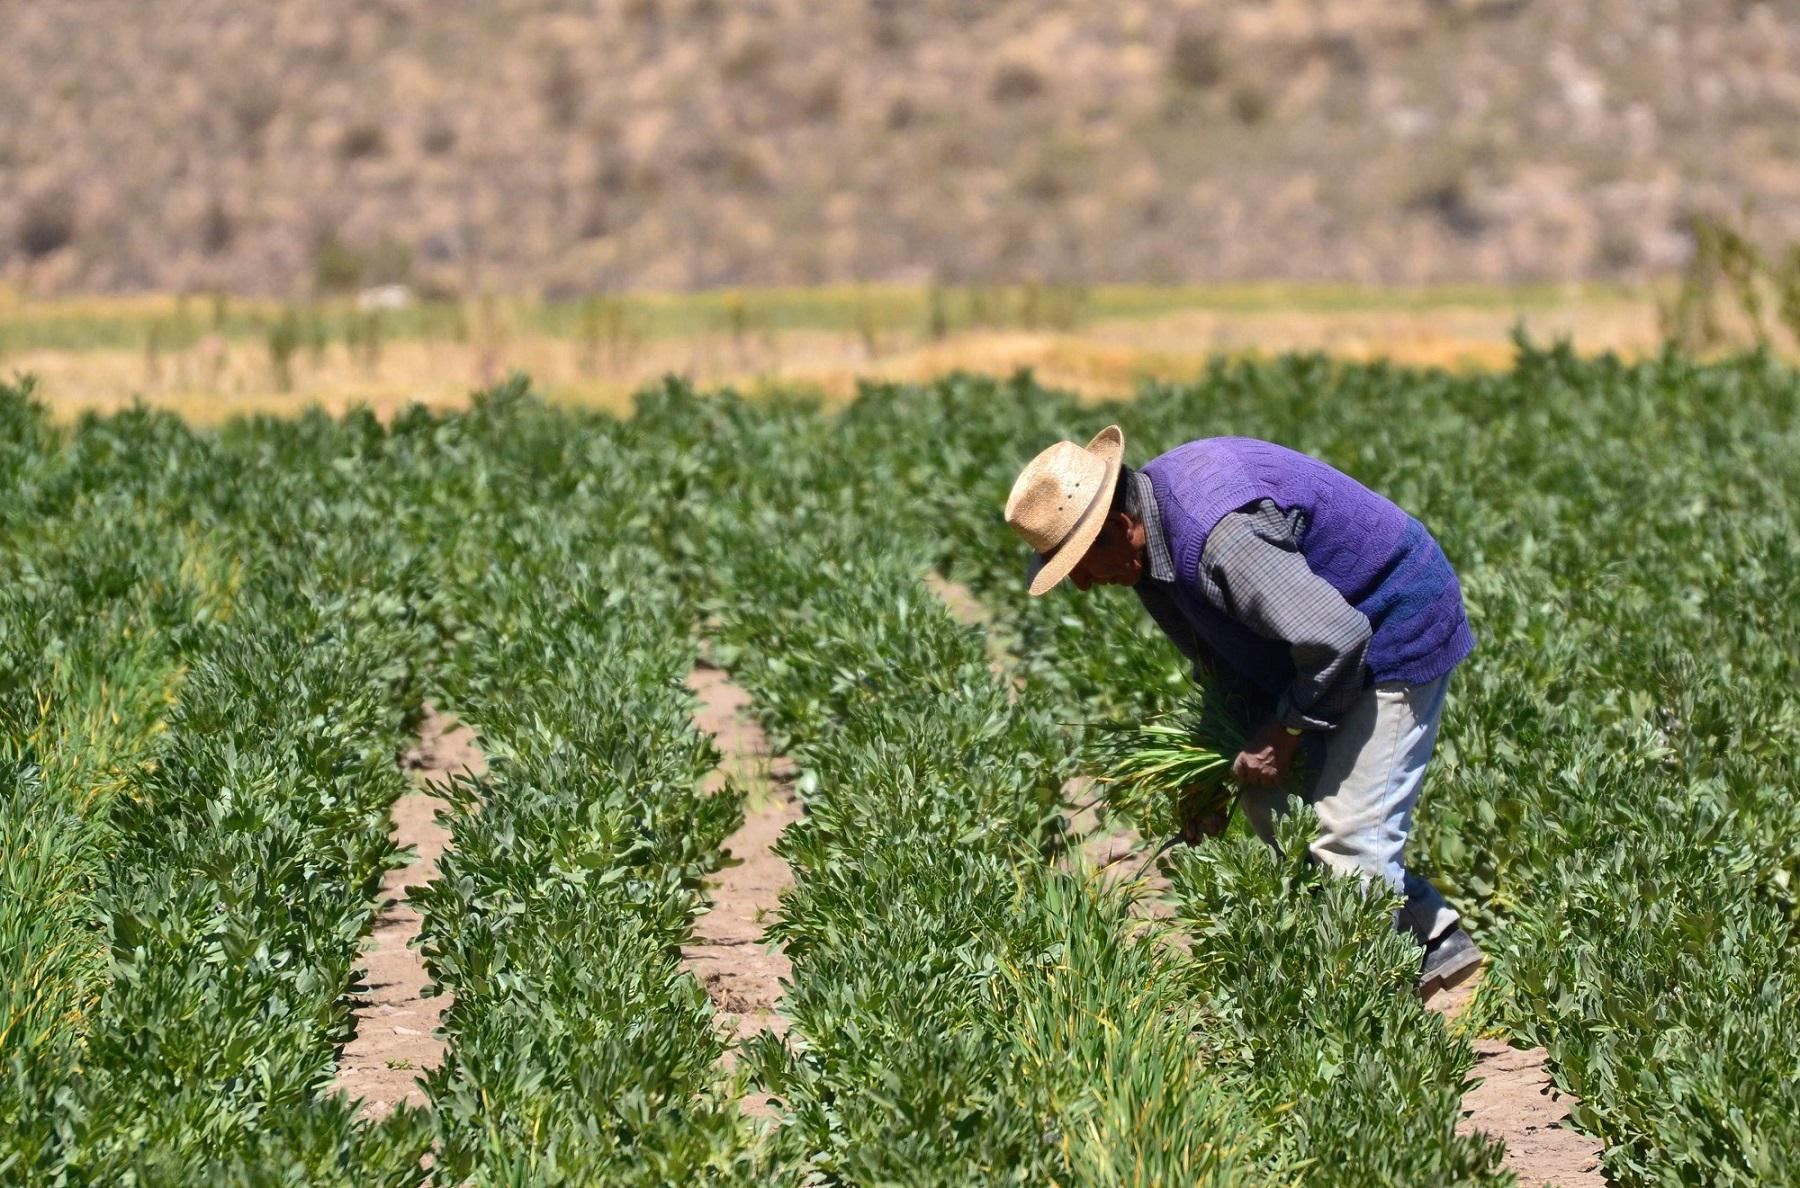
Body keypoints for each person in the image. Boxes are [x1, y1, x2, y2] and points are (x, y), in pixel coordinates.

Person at [1004, 425, 1483, 996]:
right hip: (1321, 643)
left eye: (1080, 562)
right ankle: (1430, 935)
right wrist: (1216, 772)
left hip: (1392, 622)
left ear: (1118, 526)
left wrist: (1286, 729)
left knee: (1349, 841)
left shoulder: (1219, 538)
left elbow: (1337, 639)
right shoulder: (1149, 560)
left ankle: (1368, 1007)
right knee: (1269, 800)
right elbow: (1228, 665)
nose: (1083, 584)